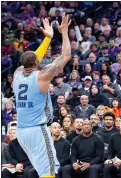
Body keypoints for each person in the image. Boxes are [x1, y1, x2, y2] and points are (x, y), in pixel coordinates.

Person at [13, 13, 72, 177]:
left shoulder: (17, 74)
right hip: (37, 130)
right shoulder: (43, 76)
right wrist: (64, 32)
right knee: (49, 170)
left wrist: (47, 39)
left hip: (21, 131)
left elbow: (30, 59)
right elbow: (66, 56)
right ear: (37, 63)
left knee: (42, 170)